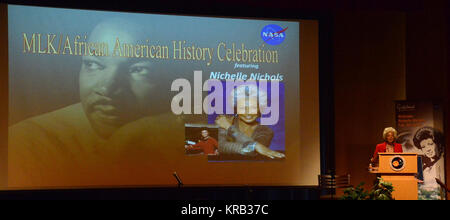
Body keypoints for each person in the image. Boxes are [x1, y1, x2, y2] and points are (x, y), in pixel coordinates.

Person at [8, 18, 184, 187]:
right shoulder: (25, 143)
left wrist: (146, 131)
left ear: (166, 79)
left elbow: (210, 148)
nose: (107, 89)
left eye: (138, 69)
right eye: (93, 64)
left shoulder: (178, 127)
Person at [215, 84, 285, 160]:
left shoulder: (266, 131)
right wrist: (255, 146)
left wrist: (229, 128)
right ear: (236, 109)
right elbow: (221, 147)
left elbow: (253, 152)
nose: (248, 113)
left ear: (260, 109)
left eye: (253, 108)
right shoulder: (225, 120)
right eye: (242, 108)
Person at [412, 127, 445, 191]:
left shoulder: (443, 162)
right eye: (423, 147)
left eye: (430, 144)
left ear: (438, 144)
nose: (428, 149)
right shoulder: (422, 166)